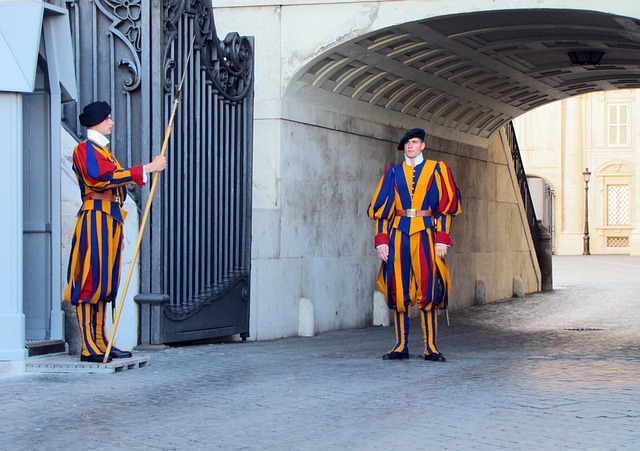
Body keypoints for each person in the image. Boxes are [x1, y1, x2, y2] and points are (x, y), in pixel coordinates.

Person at [64, 101, 167, 363]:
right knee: (91, 280)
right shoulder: (84, 149)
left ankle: (101, 342)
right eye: (107, 118)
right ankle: (89, 346)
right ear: (96, 121)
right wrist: (146, 169)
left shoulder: (104, 152)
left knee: (106, 283)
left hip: (109, 220)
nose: (111, 122)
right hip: (95, 218)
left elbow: (114, 178)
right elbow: (100, 178)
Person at [367, 128, 461, 362]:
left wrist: (442, 238)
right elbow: (382, 210)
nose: (410, 146)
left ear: (423, 146)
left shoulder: (436, 170)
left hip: (427, 233)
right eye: (407, 143)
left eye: (414, 142)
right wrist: (381, 241)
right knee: (399, 290)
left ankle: (431, 347)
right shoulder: (393, 172)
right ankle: (400, 345)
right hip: (398, 233)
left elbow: (446, 207)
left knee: (428, 289)